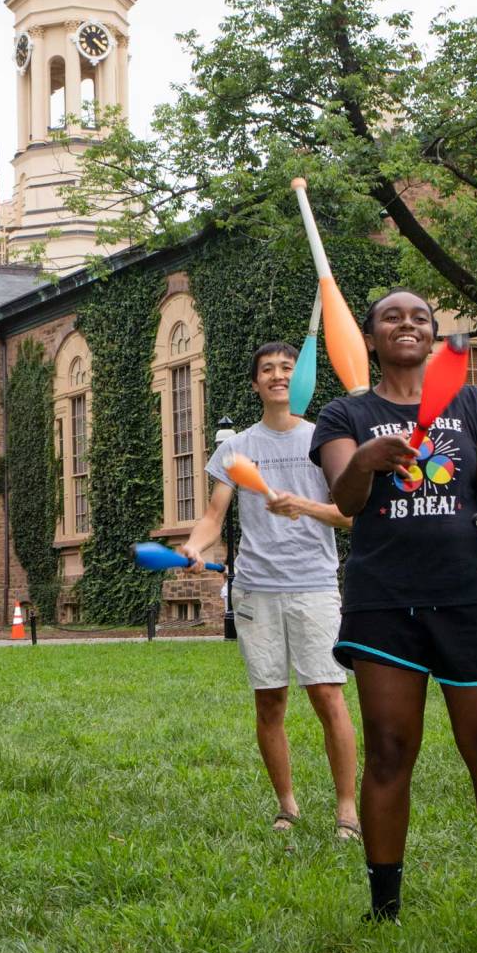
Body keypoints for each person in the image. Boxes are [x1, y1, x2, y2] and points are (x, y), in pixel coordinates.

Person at [312, 289, 477, 925]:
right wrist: (367, 457)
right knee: (387, 751)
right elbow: (347, 500)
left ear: (433, 336)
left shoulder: (476, 405)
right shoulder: (344, 415)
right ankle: (385, 911)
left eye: (420, 318)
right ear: (371, 337)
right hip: (384, 601)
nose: (406, 324)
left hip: (469, 596)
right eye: (392, 317)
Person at [181, 341, 360, 837]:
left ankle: (347, 810)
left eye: (286, 368)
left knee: (328, 695)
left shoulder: (324, 442)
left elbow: (348, 516)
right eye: (268, 369)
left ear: (296, 379)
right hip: (256, 589)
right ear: (256, 382)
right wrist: (197, 547)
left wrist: (302, 505)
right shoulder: (237, 447)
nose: (278, 375)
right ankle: (288, 806)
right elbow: (213, 517)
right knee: (270, 701)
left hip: (314, 585)